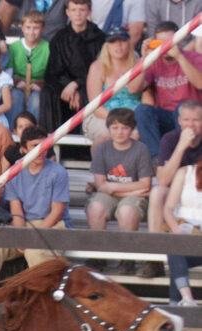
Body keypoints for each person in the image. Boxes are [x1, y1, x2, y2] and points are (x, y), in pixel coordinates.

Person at [0, 125, 69, 289]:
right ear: (23, 149)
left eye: (44, 145)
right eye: (35, 146)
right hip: (27, 224)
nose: (41, 150)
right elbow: (16, 211)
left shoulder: (58, 172)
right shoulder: (15, 172)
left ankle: (42, 295)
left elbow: (57, 212)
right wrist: (20, 235)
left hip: (53, 225)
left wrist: (32, 237)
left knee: (34, 251)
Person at [86, 108, 152, 262]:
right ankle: (97, 256)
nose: (119, 132)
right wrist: (130, 191)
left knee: (126, 211)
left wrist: (114, 187)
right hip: (123, 193)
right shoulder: (102, 148)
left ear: (132, 129)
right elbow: (101, 185)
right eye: (115, 127)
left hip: (127, 197)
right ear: (108, 128)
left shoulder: (141, 149)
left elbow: (146, 183)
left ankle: (126, 258)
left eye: (125, 127)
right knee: (96, 208)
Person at [149, 101, 202, 279]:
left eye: (196, 120)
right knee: (157, 192)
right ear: (179, 121)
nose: (191, 125)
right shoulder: (170, 139)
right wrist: (181, 146)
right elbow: (163, 180)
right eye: (186, 119)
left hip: (197, 192)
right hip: (175, 189)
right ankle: (153, 259)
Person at [135, 22, 202, 159]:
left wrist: (179, 57)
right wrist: (144, 59)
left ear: (179, 40)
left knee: (181, 107)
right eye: (161, 42)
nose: (165, 46)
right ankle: (157, 159)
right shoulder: (153, 61)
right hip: (166, 115)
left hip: (191, 116)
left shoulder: (193, 57)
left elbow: (200, 84)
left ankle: (183, 157)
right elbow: (134, 89)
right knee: (142, 110)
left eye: (170, 41)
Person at [41, 0, 104, 133]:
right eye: (74, 10)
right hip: (64, 87)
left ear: (89, 11)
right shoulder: (59, 38)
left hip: (91, 85)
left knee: (87, 94)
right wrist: (68, 86)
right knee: (47, 92)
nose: (78, 14)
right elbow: (53, 71)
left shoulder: (100, 38)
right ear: (67, 12)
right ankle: (52, 142)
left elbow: (102, 68)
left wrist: (77, 84)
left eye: (82, 10)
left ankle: (86, 143)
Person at [83, 26, 143, 144]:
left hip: (134, 117)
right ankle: (100, 162)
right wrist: (118, 120)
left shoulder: (139, 64)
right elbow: (95, 106)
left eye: (122, 41)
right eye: (113, 42)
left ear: (129, 43)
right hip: (103, 115)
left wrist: (128, 121)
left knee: (137, 134)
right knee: (108, 135)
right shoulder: (97, 67)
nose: (118, 45)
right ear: (107, 46)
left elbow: (140, 93)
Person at [161, 158, 202, 306]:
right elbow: (168, 209)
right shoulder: (185, 172)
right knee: (175, 248)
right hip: (184, 233)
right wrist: (177, 230)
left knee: (175, 258)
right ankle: (187, 299)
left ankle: (176, 304)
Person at [7, 11, 48, 127]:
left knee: (37, 101)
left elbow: (50, 74)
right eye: (28, 27)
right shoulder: (15, 47)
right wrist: (16, 82)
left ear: (42, 29)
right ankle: (13, 129)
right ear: (22, 28)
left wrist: (40, 85)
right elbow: (9, 70)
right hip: (18, 85)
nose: (31, 32)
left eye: (36, 28)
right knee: (15, 97)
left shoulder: (47, 48)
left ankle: (32, 131)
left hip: (37, 86)